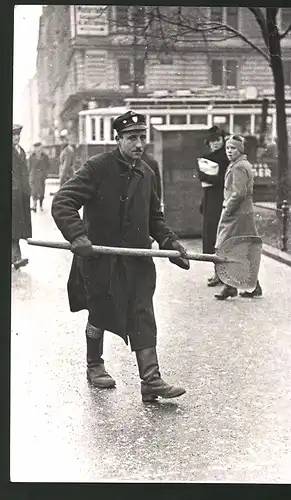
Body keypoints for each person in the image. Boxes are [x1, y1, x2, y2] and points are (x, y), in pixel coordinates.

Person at [51, 110, 190, 401]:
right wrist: (78, 236)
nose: (139, 144)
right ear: (118, 139)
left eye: (142, 137)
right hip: (99, 257)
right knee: (100, 311)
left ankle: (151, 380)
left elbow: (155, 218)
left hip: (136, 259)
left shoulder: (148, 172)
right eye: (131, 138)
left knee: (142, 311)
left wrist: (170, 242)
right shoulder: (97, 167)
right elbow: (63, 201)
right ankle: (94, 364)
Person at [214, 135, 262, 300]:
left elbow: (239, 192)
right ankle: (249, 286)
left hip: (236, 214)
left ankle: (230, 286)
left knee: (226, 247)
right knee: (241, 248)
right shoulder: (240, 164)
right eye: (227, 148)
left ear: (240, 149)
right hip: (242, 214)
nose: (229, 151)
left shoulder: (239, 167)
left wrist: (228, 208)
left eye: (233, 148)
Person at [197, 126, 229, 287]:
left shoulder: (226, 158)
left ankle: (223, 274)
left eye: (218, 140)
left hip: (221, 200)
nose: (215, 144)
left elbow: (223, 181)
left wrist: (207, 178)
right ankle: (217, 272)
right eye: (212, 141)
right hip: (210, 200)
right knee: (212, 236)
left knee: (221, 236)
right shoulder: (206, 158)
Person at [12, 124, 32, 269]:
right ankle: (15, 257)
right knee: (12, 227)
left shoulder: (21, 151)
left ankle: (15, 257)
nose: (17, 137)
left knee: (16, 227)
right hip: (12, 195)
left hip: (20, 195)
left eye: (18, 134)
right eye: (13, 135)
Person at [28, 141, 50, 212]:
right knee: (34, 191)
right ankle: (34, 205)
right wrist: (29, 175)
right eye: (36, 148)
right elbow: (29, 166)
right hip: (34, 176)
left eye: (39, 148)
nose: (38, 149)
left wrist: (45, 174)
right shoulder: (32, 156)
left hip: (41, 176)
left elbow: (48, 166)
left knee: (41, 191)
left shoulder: (45, 156)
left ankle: (40, 205)